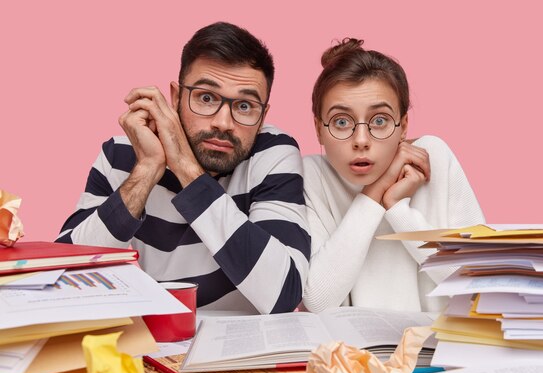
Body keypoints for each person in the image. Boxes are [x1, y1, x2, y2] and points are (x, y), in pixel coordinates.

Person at [57, 22, 310, 314]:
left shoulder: (271, 153)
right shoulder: (123, 154)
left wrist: (186, 168)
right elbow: (64, 278)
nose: (223, 123)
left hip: (232, 352)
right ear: (176, 98)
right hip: (142, 345)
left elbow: (284, 294)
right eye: (206, 98)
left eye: (244, 106)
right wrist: (148, 168)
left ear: (263, 114)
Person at [302, 38, 484, 313]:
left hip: (440, 349)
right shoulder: (311, 175)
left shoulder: (433, 157)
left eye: (379, 121)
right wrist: (375, 194)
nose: (361, 140)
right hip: (353, 353)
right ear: (318, 128)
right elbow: (317, 300)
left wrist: (399, 209)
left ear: (403, 125)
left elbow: (480, 285)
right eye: (341, 122)